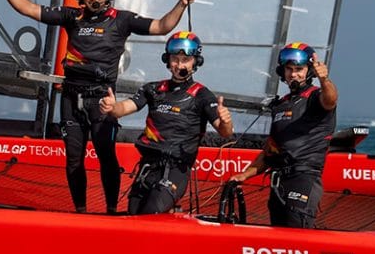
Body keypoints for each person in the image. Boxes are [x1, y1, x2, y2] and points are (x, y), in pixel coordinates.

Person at [0, 0, 195, 214]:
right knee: (73, 159)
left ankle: (110, 211)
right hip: (70, 97)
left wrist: (181, 3)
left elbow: (162, 26)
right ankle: (81, 211)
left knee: (106, 156)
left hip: (101, 100)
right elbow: (30, 9)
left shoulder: (122, 19)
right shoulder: (72, 16)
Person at [99, 31, 233, 214]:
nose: (179, 65)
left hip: (176, 169)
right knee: (133, 215)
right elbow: (125, 108)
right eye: (175, 59)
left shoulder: (202, 95)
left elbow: (225, 132)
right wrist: (112, 107)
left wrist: (226, 121)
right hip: (148, 166)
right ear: (167, 60)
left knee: (150, 212)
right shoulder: (153, 89)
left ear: (196, 62)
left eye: (185, 60)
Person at [230, 42, 337, 228]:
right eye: (289, 69)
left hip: (304, 177)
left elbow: (331, 100)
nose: (293, 74)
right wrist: (244, 175)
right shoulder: (281, 105)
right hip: (279, 181)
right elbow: (270, 150)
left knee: (296, 232)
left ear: (309, 71)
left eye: (299, 69)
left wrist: (324, 80)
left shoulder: (316, 97)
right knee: (278, 232)